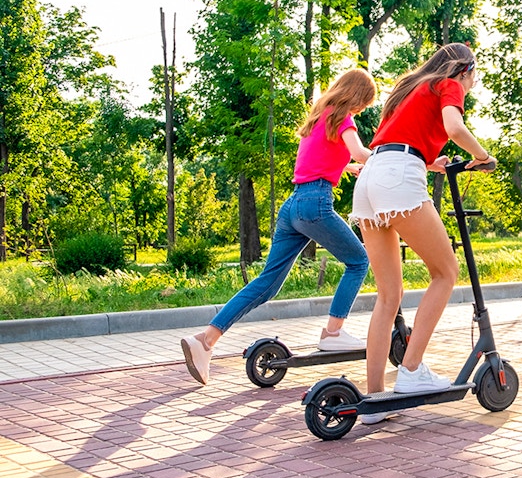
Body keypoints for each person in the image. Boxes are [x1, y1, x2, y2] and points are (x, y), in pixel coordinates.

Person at [179, 68, 377, 385]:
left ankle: (205, 339)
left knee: (267, 284)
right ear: (355, 97)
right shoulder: (344, 118)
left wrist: (349, 166)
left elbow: (325, 158)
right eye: (362, 105)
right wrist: (385, 158)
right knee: (359, 261)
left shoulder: (319, 117)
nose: (360, 111)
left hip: (293, 206)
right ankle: (333, 332)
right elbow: (358, 150)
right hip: (316, 203)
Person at [351, 42, 493, 423]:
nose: (471, 84)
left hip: (370, 179)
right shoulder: (449, 83)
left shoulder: (411, 87)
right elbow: (454, 127)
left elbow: (397, 143)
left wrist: (432, 163)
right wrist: (481, 156)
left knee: (389, 296)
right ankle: (411, 370)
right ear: (465, 69)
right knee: (446, 272)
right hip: (398, 178)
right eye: (474, 77)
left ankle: (375, 400)